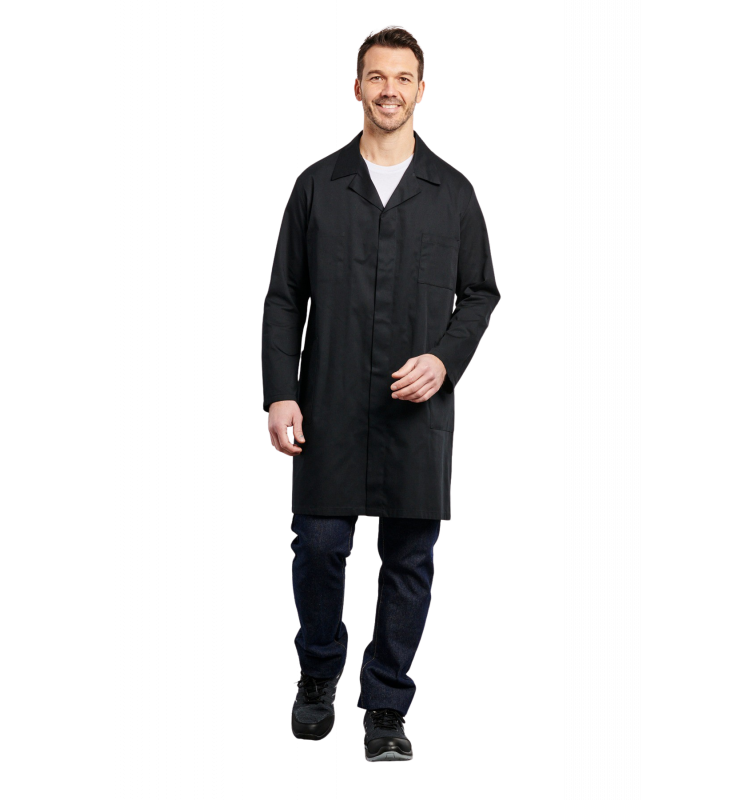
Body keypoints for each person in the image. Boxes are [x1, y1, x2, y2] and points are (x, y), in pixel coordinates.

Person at [262, 24, 500, 762]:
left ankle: (388, 706)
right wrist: (280, 392)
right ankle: (318, 671)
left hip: (416, 413)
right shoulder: (315, 185)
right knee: (318, 548)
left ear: (421, 90)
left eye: (402, 78)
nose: (389, 90)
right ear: (356, 88)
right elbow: (284, 297)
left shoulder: (454, 192)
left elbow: (481, 292)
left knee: (409, 560)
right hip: (328, 402)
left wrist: (445, 361)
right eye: (376, 76)